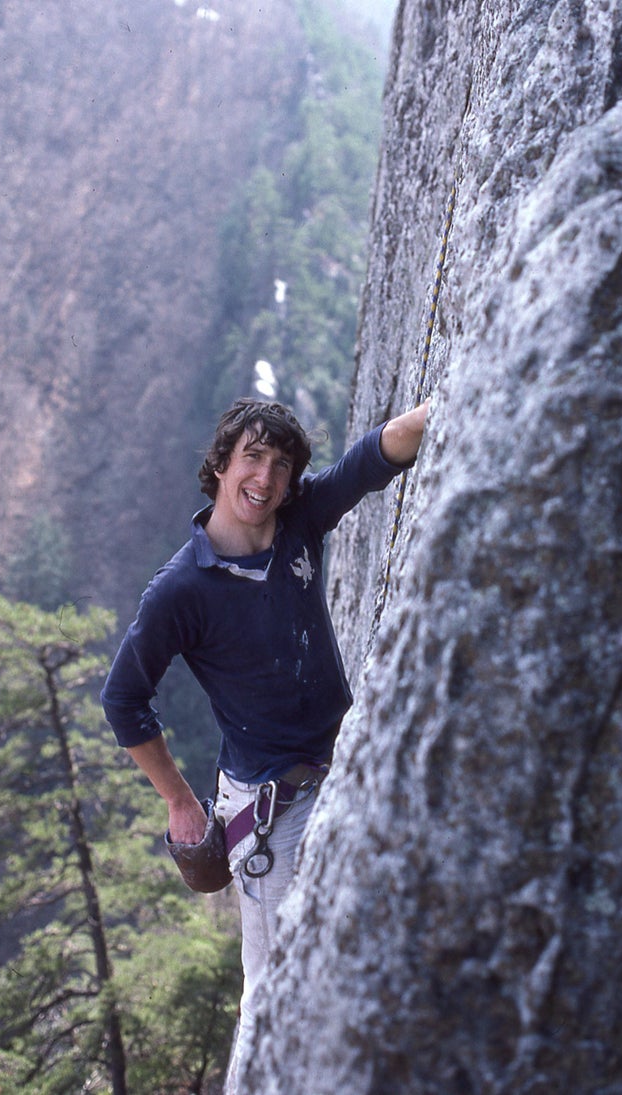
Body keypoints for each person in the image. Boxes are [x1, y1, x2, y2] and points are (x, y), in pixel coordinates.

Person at [101, 396, 428, 1092]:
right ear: (220, 465)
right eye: (252, 456)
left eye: (281, 464)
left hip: (342, 773)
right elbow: (122, 698)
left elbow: (376, 455)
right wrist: (182, 804)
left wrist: (465, 384)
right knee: (282, 997)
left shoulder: (299, 522)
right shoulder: (180, 590)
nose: (266, 476)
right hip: (271, 812)